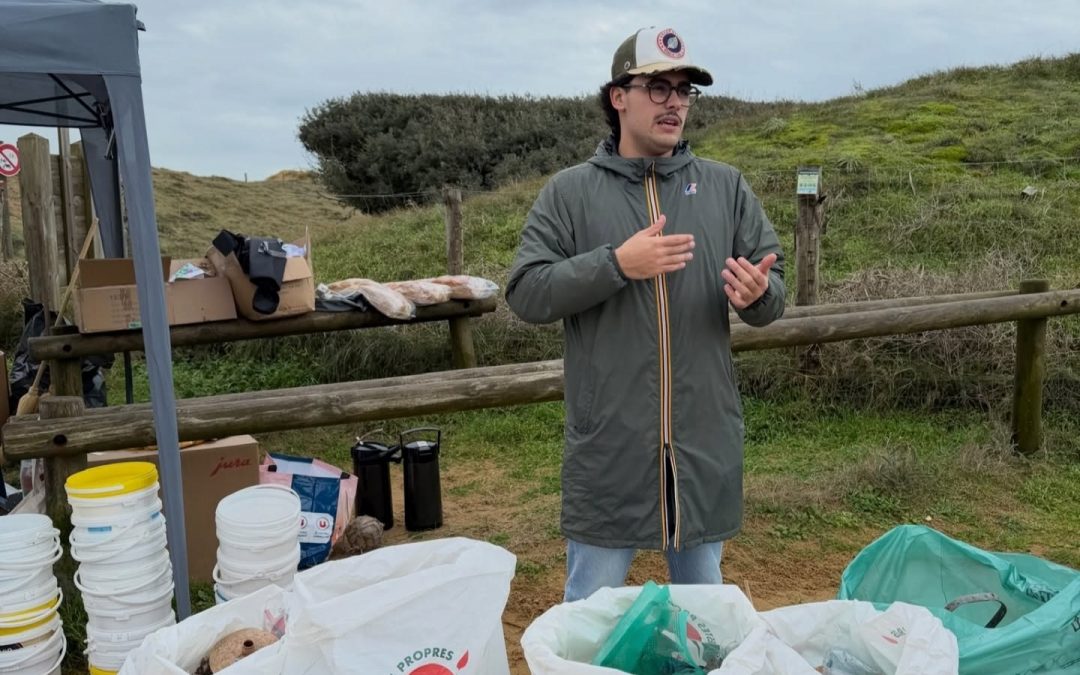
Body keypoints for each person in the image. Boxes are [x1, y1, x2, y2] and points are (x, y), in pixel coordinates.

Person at [505, 26, 787, 602]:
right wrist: (615, 264)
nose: (674, 103)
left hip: (703, 443)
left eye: (684, 90)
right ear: (618, 97)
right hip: (611, 447)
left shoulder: (726, 187)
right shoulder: (569, 193)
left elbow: (773, 291)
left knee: (703, 614)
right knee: (589, 612)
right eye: (658, 87)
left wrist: (758, 294)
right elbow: (526, 291)